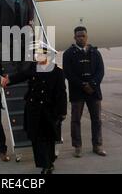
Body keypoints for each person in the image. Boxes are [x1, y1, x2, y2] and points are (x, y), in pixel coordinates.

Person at [7, 46, 68, 174]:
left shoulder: (57, 72)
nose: (37, 57)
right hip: (33, 110)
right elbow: (20, 76)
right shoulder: (33, 68)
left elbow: (61, 93)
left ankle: (49, 162)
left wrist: (62, 112)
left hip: (49, 111)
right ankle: (45, 165)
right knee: (37, 138)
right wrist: (6, 80)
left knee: (49, 138)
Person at [63, 26, 106, 158]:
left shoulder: (95, 52)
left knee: (97, 120)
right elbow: (68, 73)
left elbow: (101, 71)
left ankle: (97, 146)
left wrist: (92, 84)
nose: (81, 38)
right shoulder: (68, 54)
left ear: (87, 37)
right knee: (75, 120)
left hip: (94, 91)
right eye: (78, 36)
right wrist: (82, 85)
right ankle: (77, 147)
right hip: (77, 92)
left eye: (83, 36)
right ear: (74, 37)